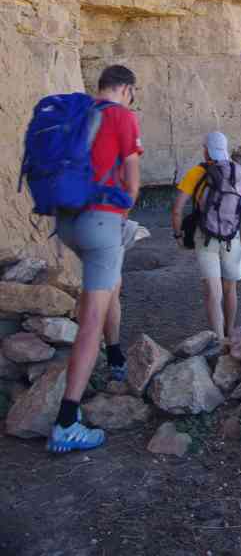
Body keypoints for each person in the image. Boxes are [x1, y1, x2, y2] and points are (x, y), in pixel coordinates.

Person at [48, 64, 142, 454]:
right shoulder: (123, 117)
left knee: (109, 287)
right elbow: (133, 185)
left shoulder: (78, 113)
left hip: (66, 221)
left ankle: (116, 355)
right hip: (100, 223)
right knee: (91, 321)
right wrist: (119, 216)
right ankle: (67, 422)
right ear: (127, 89)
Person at [171, 131, 241, 345]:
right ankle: (230, 331)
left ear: (206, 150)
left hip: (206, 237)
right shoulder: (236, 172)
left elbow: (177, 209)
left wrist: (179, 234)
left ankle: (219, 342)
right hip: (232, 237)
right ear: (225, 149)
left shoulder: (197, 173)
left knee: (213, 291)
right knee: (230, 288)